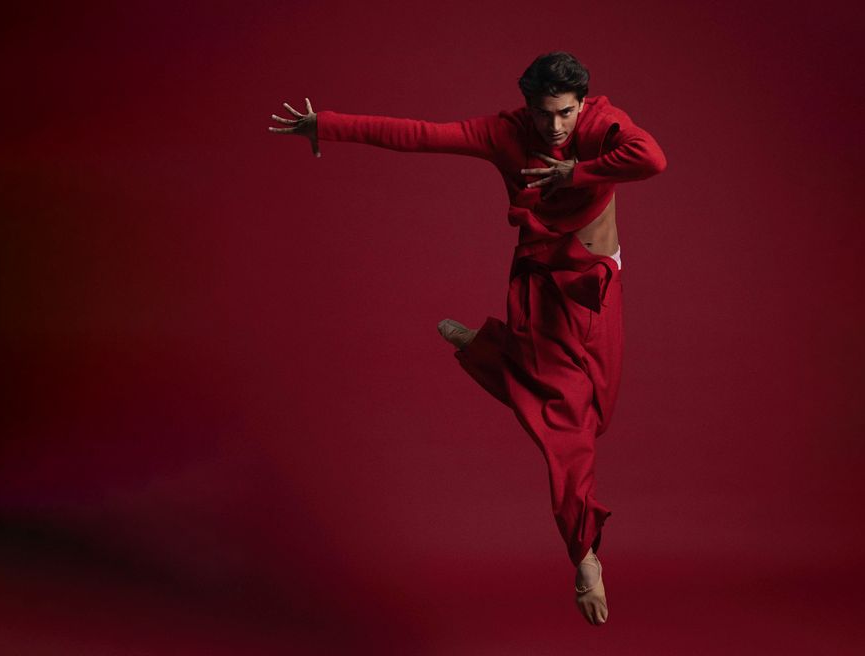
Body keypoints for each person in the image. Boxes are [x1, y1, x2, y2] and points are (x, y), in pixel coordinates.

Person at [268, 51, 666, 626]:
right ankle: (584, 559)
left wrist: (572, 173)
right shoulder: (504, 134)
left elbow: (652, 158)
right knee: (570, 424)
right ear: (526, 108)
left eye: (566, 113)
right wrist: (324, 123)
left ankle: (490, 350)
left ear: (582, 104)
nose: (555, 127)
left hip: (594, 286)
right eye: (544, 114)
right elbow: (419, 136)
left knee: (598, 408)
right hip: (539, 286)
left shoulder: (603, 126)